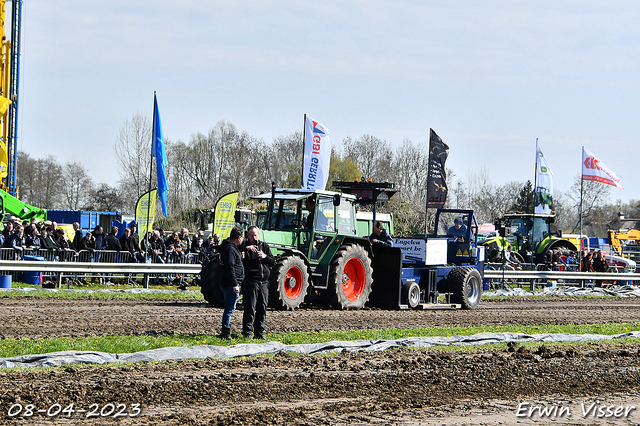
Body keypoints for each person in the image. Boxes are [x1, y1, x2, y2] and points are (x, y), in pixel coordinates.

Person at [240, 226, 275, 340]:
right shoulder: (245, 247)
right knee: (250, 307)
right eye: (251, 235)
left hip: (264, 282)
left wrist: (264, 256)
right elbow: (236, 251)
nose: (253, 237)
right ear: (248, 236)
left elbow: (273, 262)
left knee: (262, 307)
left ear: (258, 235)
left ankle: (259, 332)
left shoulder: (264, 246)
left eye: (255, 235)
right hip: (251, 282)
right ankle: (247, 333)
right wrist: (246, 249)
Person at [218, 226, 245, 339]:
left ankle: (226, 330)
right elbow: (230, 267)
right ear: (239, 238)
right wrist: (235, 284)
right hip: (230, 284)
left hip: (228, 283)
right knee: (229, 309)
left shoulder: (229, 247)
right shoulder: (230, 249)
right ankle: (226, 332)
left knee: (229, 308)